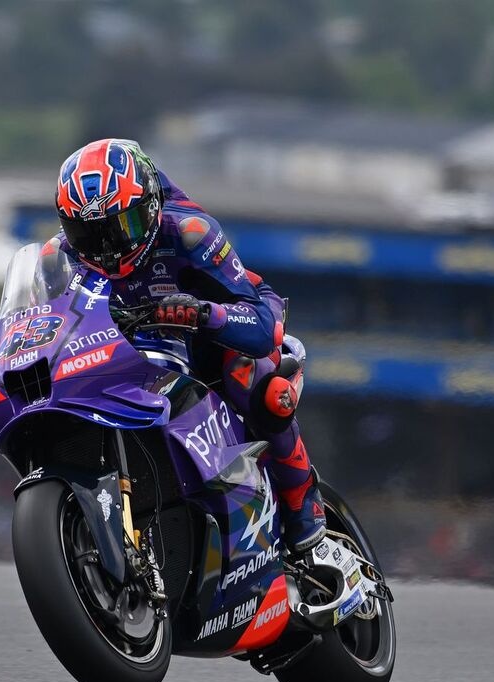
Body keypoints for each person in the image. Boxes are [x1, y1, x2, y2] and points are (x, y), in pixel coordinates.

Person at [46, 138, 325, 554]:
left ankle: (304, 500)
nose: (108, 247)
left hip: (221, 326)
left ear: (150, 207)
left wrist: (203, 314)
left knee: (257, 386)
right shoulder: (58, 256)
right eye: (89, 233)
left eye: (124, 226)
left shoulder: (190, 231)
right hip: (135, 346)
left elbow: (261, 324)